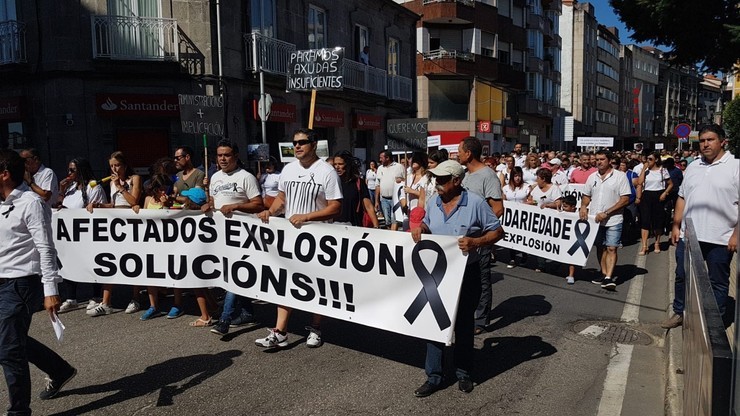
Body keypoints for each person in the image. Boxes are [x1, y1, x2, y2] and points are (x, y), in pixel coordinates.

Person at [410, 160, 503, 397]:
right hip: (438, 276)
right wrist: (421, 228)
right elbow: (429, 227)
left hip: (466, 273)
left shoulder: (475, 203)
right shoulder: (433, 202)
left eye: (442, 180)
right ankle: (434, 376)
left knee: (463, 325)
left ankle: (463, 373)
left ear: (456, 181)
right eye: (436, 180)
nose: (437, 184)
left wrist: (477, 242)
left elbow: (497, 231)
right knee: (434, 325)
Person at [0, 149, 77, 413]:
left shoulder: (31, 203)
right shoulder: (1, 202)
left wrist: (50, 290)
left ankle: (18, 412)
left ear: (5, 174)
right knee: (10, 340)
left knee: (9, 351)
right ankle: (59, 369)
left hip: (21, 283)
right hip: (1, 282)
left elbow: (46, 248)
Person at [256, 128, 342, 348]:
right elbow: (282, 199)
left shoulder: (326, 171)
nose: (297, 146)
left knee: (315, 283)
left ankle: (316, 328)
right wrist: (271, 212)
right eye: (294, 143)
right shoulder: (288, 169)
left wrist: (307, 216)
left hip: (317, 238)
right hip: (290, 237)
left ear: (313, 145)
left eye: (302, 142)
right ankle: (280, 331)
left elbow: (335, 207)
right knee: (285, 281)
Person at [663, 125, 739, 329]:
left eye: (710, 140)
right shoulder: (694, 166)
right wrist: (676, 225)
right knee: (682, 276)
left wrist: (736, 235)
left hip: (720, 238)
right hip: (690, 236)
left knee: (718, 282)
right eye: (702, 140)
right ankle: (680, 312)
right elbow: (682, 197)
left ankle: (715, 322)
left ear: (723, 142)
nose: (705, 144)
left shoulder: (735, 167)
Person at [202, 139, 264, 334]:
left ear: (235, 156)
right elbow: (214, 199)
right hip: (222, 235)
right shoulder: (215, 177)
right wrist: (208, 204)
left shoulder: (246, 177)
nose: (222, 158)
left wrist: (236, 206)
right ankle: (247, 313)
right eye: (219, 155)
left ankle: (225, 319)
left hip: (243, 234)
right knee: (235, 274)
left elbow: (258, 204)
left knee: (234, 274)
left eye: (227, 155)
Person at [86, 151, 143, 316]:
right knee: (109, 260)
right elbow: (114, 203)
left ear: (124, 165)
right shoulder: (112, 182)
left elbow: (133, 201)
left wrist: (119, 186)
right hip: (115, 225)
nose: (114, 169)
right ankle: (106, 302)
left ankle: (135, 297)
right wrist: (99, 205)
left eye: (117, 165)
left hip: (131, 224)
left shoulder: (134, 179)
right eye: (111, 166)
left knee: (133, 261)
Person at [457, 137, 504, 334]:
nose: (457, 154)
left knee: (482, 280)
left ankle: (481, 320)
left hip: (480, 240)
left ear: (468, 153)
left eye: (459, 150)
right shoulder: (465, 175)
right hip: (462, 242)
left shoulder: (488, 176)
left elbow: (498, 208)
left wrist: (480, 231)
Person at [56, 158, 107, 312]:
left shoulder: (93, 187)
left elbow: (99, 211)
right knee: (69, 265)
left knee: (92, 264)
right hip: (71, 235)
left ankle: (96, 295)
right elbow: (61, 206)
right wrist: (61, 191)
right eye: (68, 170)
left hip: (88, 234)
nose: (69, 173)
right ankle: (71, 298)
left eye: (72, 170)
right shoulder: (71, 188)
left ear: (81, 170)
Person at [579, 150, 631, 291]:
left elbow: (625, 199)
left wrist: (607, 212)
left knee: (611, 247)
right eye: (596, 159)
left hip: (614, 219)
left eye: (602, 159)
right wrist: (583, 206)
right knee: (600, 247)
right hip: (596, 220)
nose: (599, 162)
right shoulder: (592, 177)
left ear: (609, 160)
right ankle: (603, 273)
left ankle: (609, 277)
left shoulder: (620, 177)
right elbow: (586, 195)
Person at [635, 152, 673, 255]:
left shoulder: (662, 170)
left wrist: (665, 193)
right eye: (647, 159)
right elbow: (640, 183)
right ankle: (644, 246)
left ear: (656, 160)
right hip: (647, 196)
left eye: (650, 159)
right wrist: (644, 169)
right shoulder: (646, 172)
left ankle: (657, 243)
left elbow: (670, 184)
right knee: (645, 221)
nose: (648, 161)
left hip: (659, 195)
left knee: (658, 221)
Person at [333, 151, 379, 227]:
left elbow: (368, 206)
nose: (337, 167)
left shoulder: (359, 183)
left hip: (355, 226)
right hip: (335, 226)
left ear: (348, 165)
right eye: (335, 164)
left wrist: (376, 226)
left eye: (340, 164)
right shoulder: (333, 182)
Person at [502, 166, 529, 268]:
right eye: (515, 176)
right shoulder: (505, 188)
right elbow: (503, 201)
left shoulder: (526, 187)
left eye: (519, 176)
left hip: (523, 217)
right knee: (511, 238)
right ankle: (512, 258)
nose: (517, 178)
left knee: (522, 236)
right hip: (511, 218)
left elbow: (531, 201)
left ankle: (524, 255)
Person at [375, 150, 405, 230]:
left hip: (396, 200)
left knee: (394, 220)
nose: (380, 160)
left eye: (381, 158)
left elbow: (406, 181)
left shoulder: (399, 167)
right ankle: (390, 233)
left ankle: (393, 236)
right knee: (387, 221)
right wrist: (376, 201)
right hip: (384, 199)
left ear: (387, 158)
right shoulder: (380, 168)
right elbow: (377, 185)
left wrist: (402, 180)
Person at [404, 152, 429, 230]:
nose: (412, 162)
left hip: (421, 213)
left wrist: (412, 191)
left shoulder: (426, 177)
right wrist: (404, 205)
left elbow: (427, 195)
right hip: (409, 212)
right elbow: (403, 193)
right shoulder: (408, 177)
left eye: (416, 160)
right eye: (412, 160)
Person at [560, 195, 578, 284]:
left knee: (572, 257)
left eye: (566, 207)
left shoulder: (577, 215)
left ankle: (571, 275)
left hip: (573, 238)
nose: (564, 208)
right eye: (563, 206)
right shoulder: (562, 213)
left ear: (573, 207)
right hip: (564, 237)